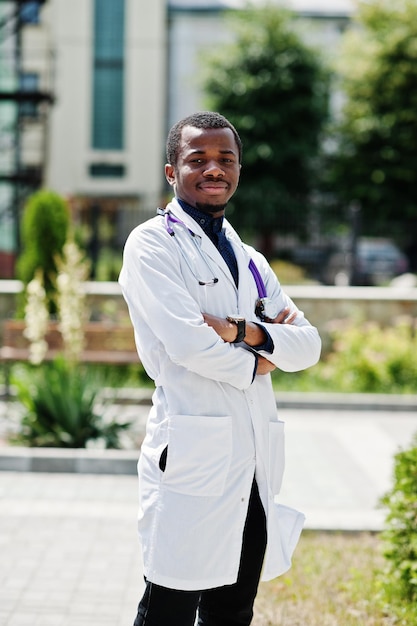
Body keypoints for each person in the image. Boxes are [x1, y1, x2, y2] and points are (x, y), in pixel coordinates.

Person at [119, 111, 321, 626]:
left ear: (238, 170)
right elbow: (188, 345)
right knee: (169, 607)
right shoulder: (151, 245)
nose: (214, 169)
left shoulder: (250, 258)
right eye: (198, 159)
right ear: (171, 172)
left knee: (233, 611)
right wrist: (262, 363)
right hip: (191, 455)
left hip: (252, 464)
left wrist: (241, 332)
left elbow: (309, 346)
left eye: (225, 159)